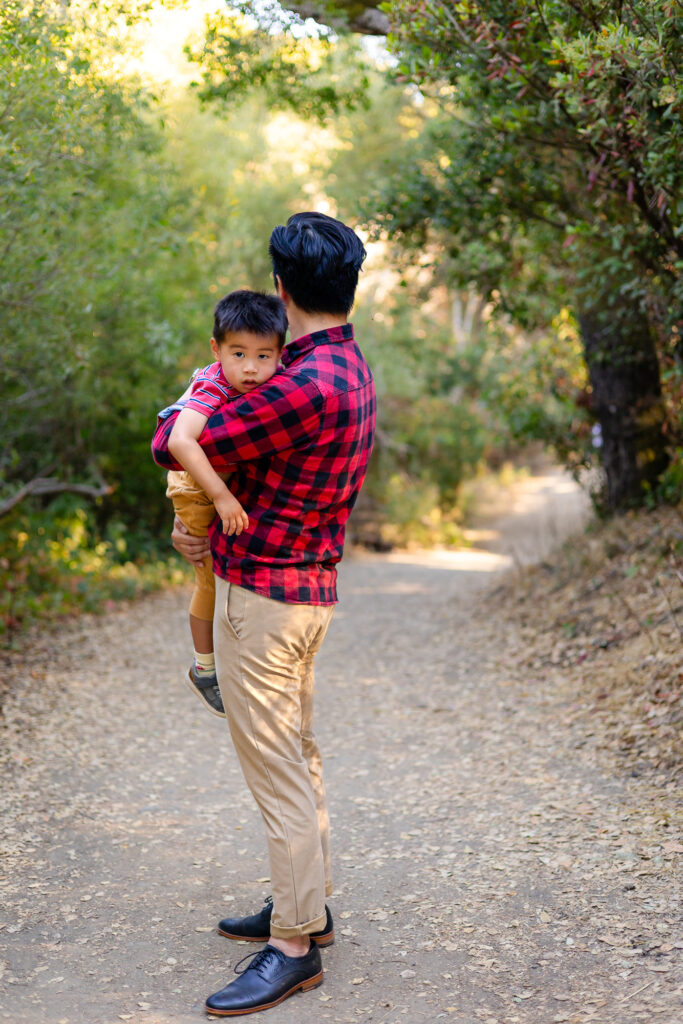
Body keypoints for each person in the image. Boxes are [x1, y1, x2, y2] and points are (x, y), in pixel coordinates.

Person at [151, 211, 376, 1016]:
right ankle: (301, 912)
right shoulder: (348, 369)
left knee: (278, 775)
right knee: (300, 761)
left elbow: (175, 441)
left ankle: (292, 950)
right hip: (308, 595)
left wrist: (191, 495)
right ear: (348, 287)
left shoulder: (293, 386)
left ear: (280, 290)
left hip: (265, 602)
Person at [162, 290, 287, 718]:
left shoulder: (280, 379)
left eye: (263, 356)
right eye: (238, 354)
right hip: (195, 485)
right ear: (217, 350)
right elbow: (180, 440)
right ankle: (205, 669)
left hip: (224, 479)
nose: (250, 368)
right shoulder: (213, 382)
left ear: (279, 353)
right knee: (210, 580)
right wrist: (221, 495)